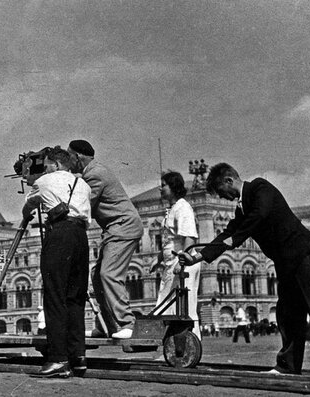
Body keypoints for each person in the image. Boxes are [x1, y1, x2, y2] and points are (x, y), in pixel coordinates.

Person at [178, 163, 310, 379]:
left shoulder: (259, 188)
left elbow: (260, 215)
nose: (223, 197)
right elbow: (229, 232)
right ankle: (288, 365)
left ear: (229, 180)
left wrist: (233, 240)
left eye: (221, 191)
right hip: (285, 261)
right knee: (288, 314)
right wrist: (198, 256)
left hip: (305, 253)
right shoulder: (242, 208)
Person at [23, 147, 92, 378]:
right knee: (75, 298)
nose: (45, 169)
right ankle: (78, 357)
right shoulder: (83, 184)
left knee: (54, 296)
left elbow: (29, 204)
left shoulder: (44, 181)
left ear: (54, 164)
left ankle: (57, 359)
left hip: (59, 235)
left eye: (47, 165)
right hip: (81, 237)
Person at [67, 140, 143, 340]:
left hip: (123, 227)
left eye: (69, 156)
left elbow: (82, 204)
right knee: (97, 277)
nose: (68, 160)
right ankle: (107, 326)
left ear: (78, 157)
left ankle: (128, 322)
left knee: (109, 274)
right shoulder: (91, 172)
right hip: (116, 228)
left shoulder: (94, 175)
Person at [152, 171, 200, 339]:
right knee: (169, 307)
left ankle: (189, 345)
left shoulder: (183, 207)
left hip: (180, 264)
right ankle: (174, 347)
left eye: (163, 185)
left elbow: (189, 237)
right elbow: (170, 239)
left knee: (186, 308)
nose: (160, 188)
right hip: (172, 264)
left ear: (173, 187)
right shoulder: (173, 208)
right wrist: (158, 258)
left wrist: (182, 262)